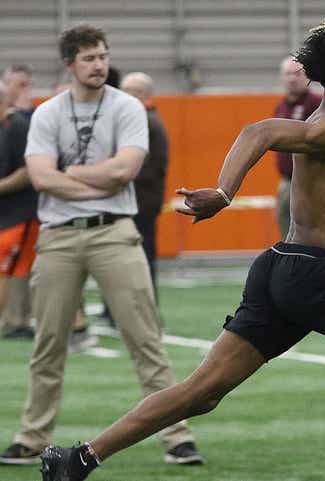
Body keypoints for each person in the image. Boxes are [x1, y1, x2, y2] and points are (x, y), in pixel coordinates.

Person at [38, 16, 325, 481]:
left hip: (281, 269)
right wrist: (224, 192)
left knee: (204, 390)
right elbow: (257, 132)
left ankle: (79, 459)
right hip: (315, 276)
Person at [0, 24, 203, 467]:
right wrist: (95, 178)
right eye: (89, 58)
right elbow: (39, 176)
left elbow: (125, 170)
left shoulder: (127, 106)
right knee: (48, 343)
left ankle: (177, 437)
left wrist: (66, 176)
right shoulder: (48, 112)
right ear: (70, 64)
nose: (99, 65)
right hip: (59, 236)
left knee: (145, 338)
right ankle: (31, 438)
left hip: (115, 231)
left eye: (103, 56)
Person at [121, 71, 169, 306]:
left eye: (128, 91)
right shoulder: (143, 120)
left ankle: (146, 307)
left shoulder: (147, 122)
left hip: (141, 204)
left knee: (140, 258)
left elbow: (148, 169)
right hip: (137, 202)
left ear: (141, 94)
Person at [0, 66, 38, 340]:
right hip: (9, 212)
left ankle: (18, 321)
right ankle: (13, 320)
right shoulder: (6, 127)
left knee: (16, 268)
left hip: (22, 212)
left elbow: (28, 170)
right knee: (12, 268)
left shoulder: (18, 126)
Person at [273, 56, 322, 239]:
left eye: (296, 73)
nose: (292, 78)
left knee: (309, 231)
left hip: (312, 180)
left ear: (307, 76)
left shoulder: (318, 102)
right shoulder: (280, 107)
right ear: (281, 78)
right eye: (288, 74)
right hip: (287, 180)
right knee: (285, 228)